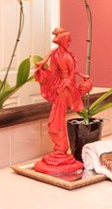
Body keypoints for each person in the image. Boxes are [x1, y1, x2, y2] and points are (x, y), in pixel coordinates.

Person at [33, 28, 92, 175]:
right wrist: (42, 69)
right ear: (63, 40)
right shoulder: (55, 54)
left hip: (68, 87)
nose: (70, 42)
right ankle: (60, 147)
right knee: (56, 117)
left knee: (57, 117)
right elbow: (53, 73)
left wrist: (83, 75)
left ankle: (60, 148)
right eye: (68, 39)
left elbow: (74, 70)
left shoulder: (68, 54)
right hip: (63, 88)